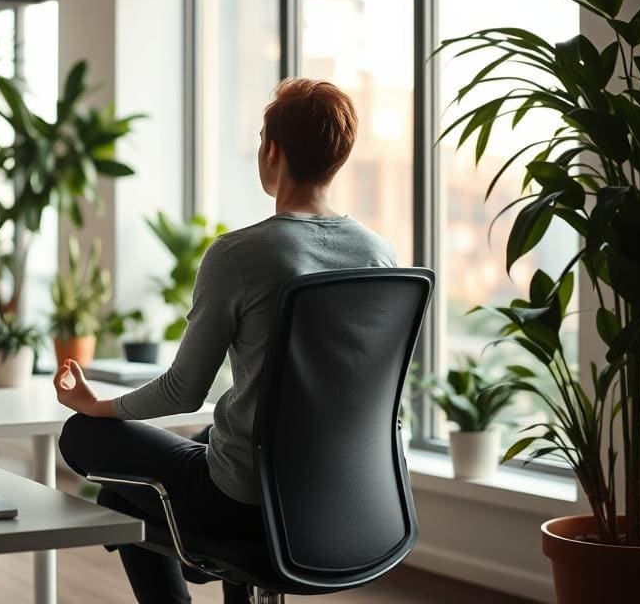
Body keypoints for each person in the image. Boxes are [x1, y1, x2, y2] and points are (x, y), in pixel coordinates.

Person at [54, 77, 397, 604]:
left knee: (83, 436)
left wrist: (95, 403)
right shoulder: (380, 255)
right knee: (155, 478)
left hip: (245, 501)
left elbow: (182, 392)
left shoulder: (240, 256)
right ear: (339, 156)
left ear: (272, 149)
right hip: (349, 499)